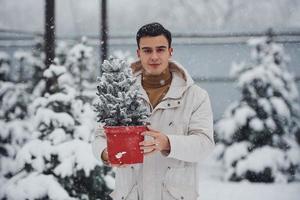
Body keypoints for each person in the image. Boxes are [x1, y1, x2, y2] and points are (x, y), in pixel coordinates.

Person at [92, 22, 215, 200]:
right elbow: (99, 136)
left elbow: (204, 145)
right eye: (147, 50)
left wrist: (168, 143)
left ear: (170, 51)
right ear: (139, 53)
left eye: (160, 49)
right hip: (131, 194)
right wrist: (106, 153)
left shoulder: (195, 96)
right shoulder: (121, 93)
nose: (154, 56)